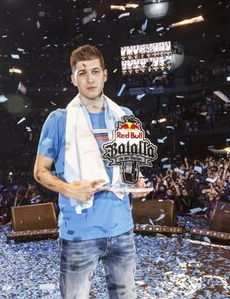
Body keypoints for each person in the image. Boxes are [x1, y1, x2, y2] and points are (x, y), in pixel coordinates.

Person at [34, 45, 149, 299]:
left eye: (95, 71)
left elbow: (130, 171)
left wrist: (137, 185)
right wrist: (69, 188)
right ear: (73, 78)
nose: (90, 78)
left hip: (121, 230)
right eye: (82, 72)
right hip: (79, 233)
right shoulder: (59, 119)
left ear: (105, 75)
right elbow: (40, 172)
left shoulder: (126, 116)